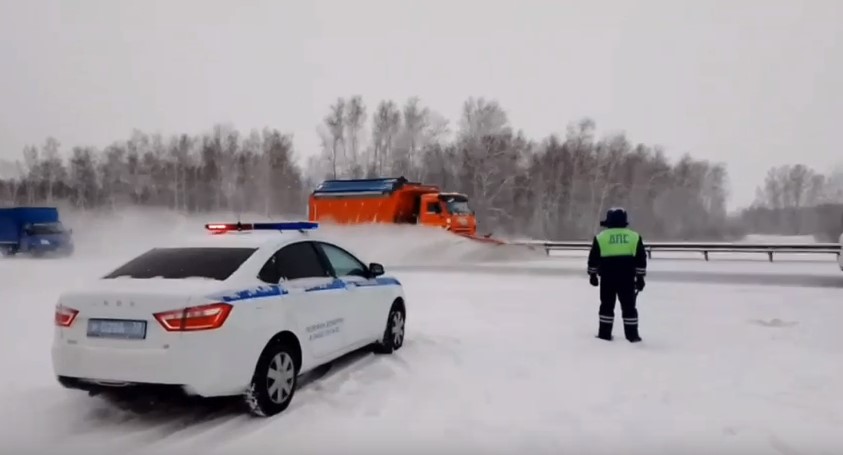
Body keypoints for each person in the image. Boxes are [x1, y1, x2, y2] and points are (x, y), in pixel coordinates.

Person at [587, 207, 647, 342]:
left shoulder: (601, 237)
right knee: (629, 307)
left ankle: (604, 334)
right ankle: (632, 336)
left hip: (607, 278)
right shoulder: (634, 237)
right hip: (627, 279)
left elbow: (593, 258)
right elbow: (641, 259)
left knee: (606, 305)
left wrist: (592, 275)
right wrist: (640, 278)